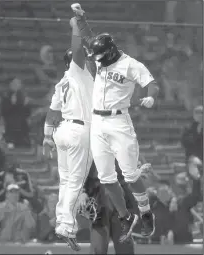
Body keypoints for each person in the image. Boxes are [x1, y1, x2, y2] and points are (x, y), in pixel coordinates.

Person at [72, 3, 158, 242]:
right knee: (106, 178)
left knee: (130, 175)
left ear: (110, 51)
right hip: (97, 122)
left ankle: (145, 213)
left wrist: (151, 96)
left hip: (120, 122)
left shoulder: (131, 64)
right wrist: (80, 18)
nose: (96, 59)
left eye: (100, 56)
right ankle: (124, 216)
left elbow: (152, 82)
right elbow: (90, 39)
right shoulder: (101, 54)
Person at [42, 15, 95, 251]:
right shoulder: (78, 71)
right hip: (78, 132)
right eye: (83, 56)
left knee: (65, 181)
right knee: (74, 181)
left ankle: (62, 222)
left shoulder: (62, 82)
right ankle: (66, 226)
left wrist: (46, 138)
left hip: (62, 131)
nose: (86, 57)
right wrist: (75, 27)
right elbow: (77, 49)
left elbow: (52, 113)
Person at [78, 161, 152, 254]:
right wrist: (82, 192)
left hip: (122, 203)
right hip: (99, 203)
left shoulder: (124, 150)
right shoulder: (91, 152)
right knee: (98, 248)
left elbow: (136, 173)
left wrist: (139, 171)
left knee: (125, 249)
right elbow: (80, 173)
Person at [1, 77, 31, 149]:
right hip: (10, 122)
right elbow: (4, 111)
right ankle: (11, 142)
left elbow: (28, 112)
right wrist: (12, 104)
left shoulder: (23, 95)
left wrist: (26, 105)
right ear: (10, 85)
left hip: (22, 123)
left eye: (18, 83)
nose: (17, 85)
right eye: (15, 83)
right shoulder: (6, 95)